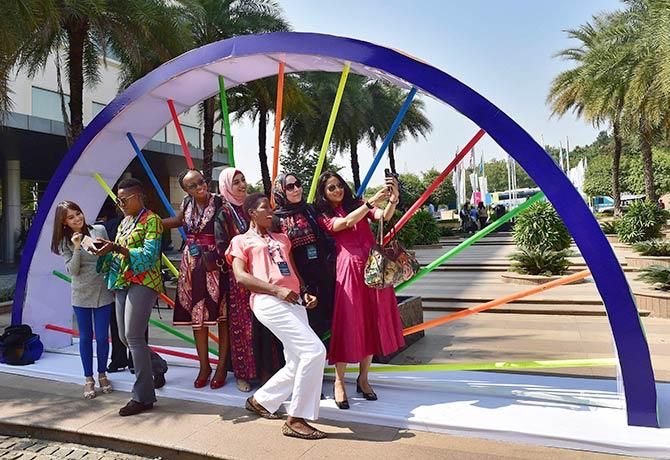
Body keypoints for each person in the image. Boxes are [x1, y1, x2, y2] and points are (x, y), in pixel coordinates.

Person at [227, 193, 327, 439]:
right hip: (268, 300)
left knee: (296, 362)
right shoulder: (241, 241)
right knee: (315, 351)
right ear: (251, 212)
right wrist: (276, 290)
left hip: (292, 300)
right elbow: (241, 277)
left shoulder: (281, 238)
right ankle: (297, 419)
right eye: (264, 208)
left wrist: (304, 293)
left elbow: (291, 270)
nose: (271, 212)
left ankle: (261, 400)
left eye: (271, 208)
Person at [314, 172, 405, 410]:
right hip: (349, 271)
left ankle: (364, 378)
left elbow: (382, 217)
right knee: (348, 323)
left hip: (373, 267)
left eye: (339, 185)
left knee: (372, 322)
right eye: (331, 188)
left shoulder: (357, 203)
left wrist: (392, 199)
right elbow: (343, 224)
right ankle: (339, 380)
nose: (337, 190)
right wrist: (370, 203)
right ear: (323, 193)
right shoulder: (324, 215)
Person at [96, 178, 168, 416]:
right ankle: (158, 366)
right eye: (118, 199)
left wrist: (116, 248)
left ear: (139, 196)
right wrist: (102, 251)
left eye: (124, 199)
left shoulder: (153, 220)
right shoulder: (125, 222)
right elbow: (119, 252)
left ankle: (143, 397)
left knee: (133, 336)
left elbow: (148, 257)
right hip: (123, 281)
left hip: (145, 282)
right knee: (125, 338)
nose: (121, 203)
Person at [162, 169, 230, 389]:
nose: (200, 186)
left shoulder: (221, 202)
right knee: (197, 317)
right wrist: (152, 221)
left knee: (222, 316)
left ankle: (221, 366)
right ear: (185, 190)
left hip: (215, 263)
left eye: (202, 181)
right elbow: (178, 221)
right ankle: (204, 366)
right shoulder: (186, 203)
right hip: (191, 265)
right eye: (193, 185)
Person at [219, 167, 284, 392]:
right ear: (227, 186)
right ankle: (242, 375)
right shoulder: (224, 211)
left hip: (263, 275)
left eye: (243, 180)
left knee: (264, 327)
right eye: (235, 182)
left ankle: (268, 371)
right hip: (239, 278)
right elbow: (221, 245)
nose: (241, 185)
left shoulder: (254, 205)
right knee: (242, 329)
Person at [51, 201, 114, 399]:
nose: (77, 218)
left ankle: (102, 373)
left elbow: (110, 255)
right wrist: (77, 247)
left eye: (78, 213)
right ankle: (88, 378)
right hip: (81, 293)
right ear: (64, 222)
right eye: (70, 217)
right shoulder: (65, 242)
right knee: (86, 337)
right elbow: (72, 270)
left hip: (103, 290)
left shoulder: (99, 230)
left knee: (103, 336)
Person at [271, 173, 335, 350]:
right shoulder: (275, 219)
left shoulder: (310, 210)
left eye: (298, 184)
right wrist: (301, 286)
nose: (296, 189)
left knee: (327, 320)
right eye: (290, 187)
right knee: (307, 326)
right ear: (280, 191)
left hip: (323, 274)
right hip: (298, 279)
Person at [95, 199, 130, 373]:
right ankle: (130, 361)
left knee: (120, 324)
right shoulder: (115, 225)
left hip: (120, 279)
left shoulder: (107, 227)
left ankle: (120, 359)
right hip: (123, 278)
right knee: (129, 325)